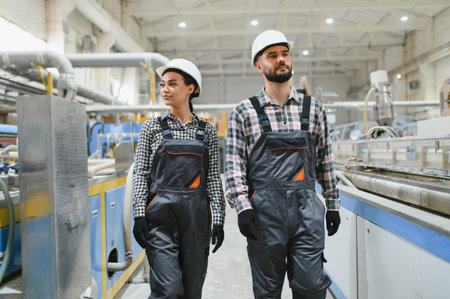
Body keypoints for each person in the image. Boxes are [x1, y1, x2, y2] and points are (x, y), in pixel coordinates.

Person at [225, 30, 341, 299]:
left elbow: (326, 161)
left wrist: (333, 205)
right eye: (272, 55)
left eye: (285, 54)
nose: (281, 60)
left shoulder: (314, 109)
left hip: (306, 213)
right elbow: (233, 167)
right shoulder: (244, 111)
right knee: (267, 292)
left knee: (311, 287)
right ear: (259, 65)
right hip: (264, 216)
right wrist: (242, 208)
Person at [132, 58, 226, 299]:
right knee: (169, 289)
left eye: (172, 84)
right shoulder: (151, 128)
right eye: (163, 84)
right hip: (160, 219)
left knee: (192, 290)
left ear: (190, 88)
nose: (165, 89)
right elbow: (141, 173)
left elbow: (213, 177)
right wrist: (139, 214)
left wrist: (218, 218)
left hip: (196, 220)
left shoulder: (207, 131)